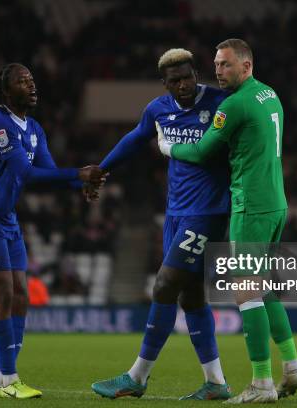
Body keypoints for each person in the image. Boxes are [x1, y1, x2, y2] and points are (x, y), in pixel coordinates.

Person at [158, 39, 297, 404]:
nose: (218, 71)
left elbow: (200, 151)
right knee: (264, 286)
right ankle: (292, 366)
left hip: (252, 206)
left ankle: (261, 383)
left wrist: (167, 146)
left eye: (226, 65)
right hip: (275, 202)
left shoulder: (234, 104)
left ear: (246, 66)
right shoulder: (268, 94)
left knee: (246, 290)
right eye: (216, 64)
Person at [0, 63, 106, 399]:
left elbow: (49, 171)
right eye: (23, 82)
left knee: (21, 292)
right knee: (3, 293)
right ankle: (8, 379)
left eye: (32, 81)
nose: (32, 86)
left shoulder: (34, 127)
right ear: (7, 92)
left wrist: (79, 186)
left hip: (4, 217)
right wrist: (79, 174)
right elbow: (27, 173)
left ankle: (0, 378)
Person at [91, 49, 232, 400]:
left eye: (187, 77)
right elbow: (135, 139)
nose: (183, 85)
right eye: (175, 81)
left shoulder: (220, 103)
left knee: (164, 285)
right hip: (176, 212)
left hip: (209, 211)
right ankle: (216, 382)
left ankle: (136, 376)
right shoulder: (158, 109)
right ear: (164, 84)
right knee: (191, 295)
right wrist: (101, 168)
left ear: (195, 74)